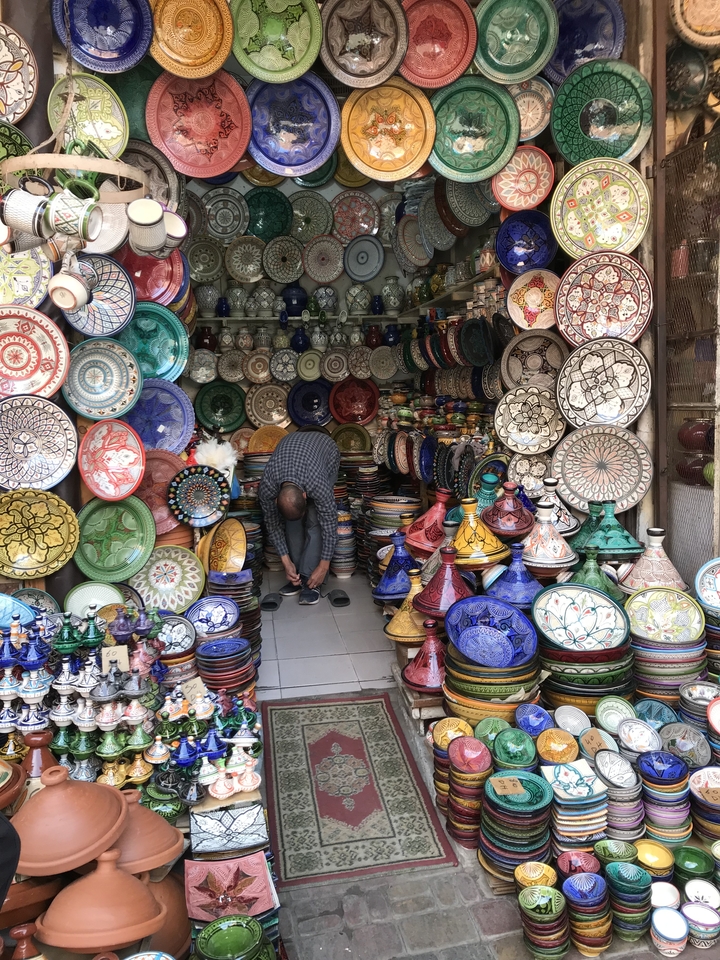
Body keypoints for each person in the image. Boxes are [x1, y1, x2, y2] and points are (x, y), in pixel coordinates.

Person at [258, 428, 340, 605]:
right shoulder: (267, 487)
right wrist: (286, 563)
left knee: (314, 519)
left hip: (326, 450)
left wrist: (323, 567)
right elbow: (272, 525)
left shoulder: (317, 483)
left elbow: (330, 524)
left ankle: (311, 579)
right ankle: (298, 576)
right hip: (293, 448)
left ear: (305, 495)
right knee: (291, 522)